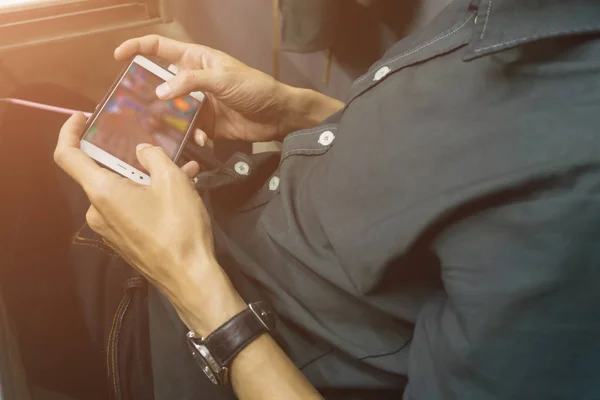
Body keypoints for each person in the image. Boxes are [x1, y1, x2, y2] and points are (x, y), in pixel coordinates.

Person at [52, 0, 600, 399]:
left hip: (181, 339)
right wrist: (299, 111)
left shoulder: (579, 204)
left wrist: (187, 278)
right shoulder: (527, 16)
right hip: (229, 215)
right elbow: (460, 176)